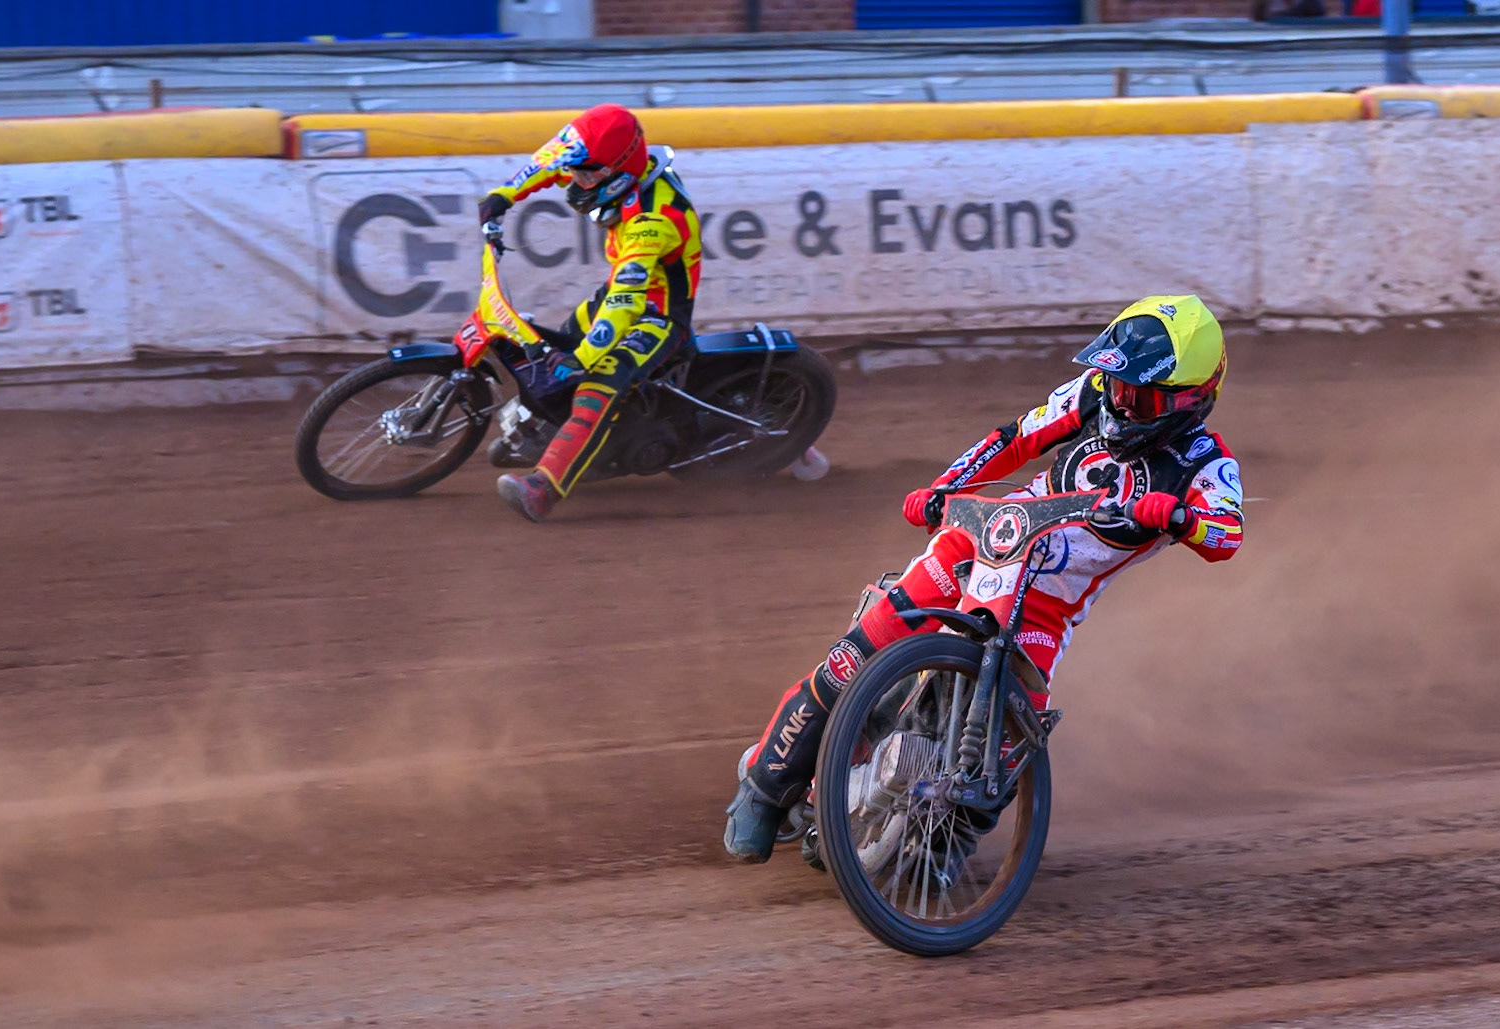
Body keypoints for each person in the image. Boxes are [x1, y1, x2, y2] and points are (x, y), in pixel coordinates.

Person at [723, 295, 1246, 864]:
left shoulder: (1206, 462)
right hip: (992, 534)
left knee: (1012, 736)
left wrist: (1177, 516)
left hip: (1052, 598)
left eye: (1139, 396)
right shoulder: (1092, 394)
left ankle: (942, 850)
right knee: (861, 648)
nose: (1119, 400)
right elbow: (1014, 439)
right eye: (1115, 384)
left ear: (1190, 399)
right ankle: (764, 784)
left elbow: (1227, 534)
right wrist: (945, 488)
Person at [475, 103, 703, 523]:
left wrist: (582, 361)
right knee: (555, 344)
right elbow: (550, 161)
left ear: (617, 172)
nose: (576, 181)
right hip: (619, 292)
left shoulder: (652, 220)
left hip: (657, 315)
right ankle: (559, 433)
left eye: (587, 174)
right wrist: (504, 195)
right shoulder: (611, 166)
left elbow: (626, 300)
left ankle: (544, 488)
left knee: (594, 381)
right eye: (580, 171)